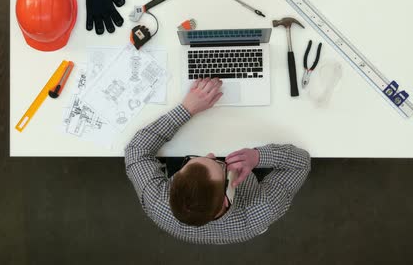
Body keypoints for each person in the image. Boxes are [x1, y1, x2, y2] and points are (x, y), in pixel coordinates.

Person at [125, 77, 311, 244]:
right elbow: (301, 164)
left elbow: (136, 150)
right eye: (220, 166)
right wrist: (259, 156)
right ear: (226, 197)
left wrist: (187, 108)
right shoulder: (262, 210)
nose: (211, 154)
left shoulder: (158, 203)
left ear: (172, 186)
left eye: (191, 161)